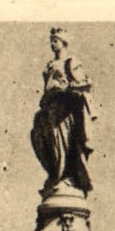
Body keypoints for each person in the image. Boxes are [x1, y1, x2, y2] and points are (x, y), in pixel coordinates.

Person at [30, 27, 95, 196]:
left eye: (55, 40)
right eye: (51, 40)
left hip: (64, 111)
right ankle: (55, 177)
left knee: (64, 144)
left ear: (64, 42)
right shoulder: (50, 65)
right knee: (47, 142)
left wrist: (68, 88)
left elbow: (83, 84)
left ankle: (66, 178)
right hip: (49, 109)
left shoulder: (71, 62)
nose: (52, 44)